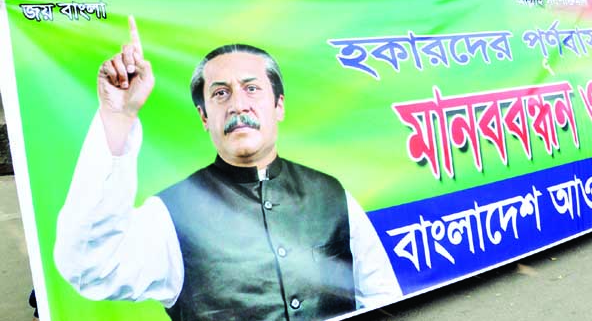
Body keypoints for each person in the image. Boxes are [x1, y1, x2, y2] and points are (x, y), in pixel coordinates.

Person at [54, 18, 402, 321]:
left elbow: (380, 293)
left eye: (252, 88)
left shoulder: (329, 192)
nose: (238, 104)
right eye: (220, 94)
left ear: (278, 105)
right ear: (204, 117)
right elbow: (89, 268)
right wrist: (118, 116)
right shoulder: (173, 213)